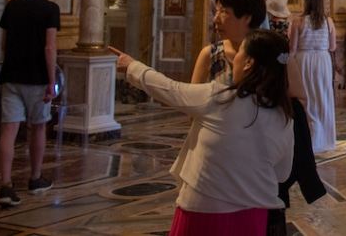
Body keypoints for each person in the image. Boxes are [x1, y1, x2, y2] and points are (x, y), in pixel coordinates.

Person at [111, 30, 294, 236]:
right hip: (253, 216)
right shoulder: (284, 117)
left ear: (249, 63)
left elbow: (171, 90)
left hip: (205, 211)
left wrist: (132, 66)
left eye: (240, 53)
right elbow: (282, 173)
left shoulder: (220, 99)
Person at [0, 0, 60, 207]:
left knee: (9, 130)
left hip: (11, 74)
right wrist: (52, 80)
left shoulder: (12, 6)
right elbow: (49, 48)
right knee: (39, 128)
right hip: (37, 77)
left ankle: (5, 185)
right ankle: (35, 178)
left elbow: (4, 42)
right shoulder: (50, 10)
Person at [192, 0, 267, 85]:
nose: (216, 19)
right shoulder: (210, 55)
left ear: (247, 17)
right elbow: (194, 97)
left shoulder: (267, 55)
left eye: (224, 12)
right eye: (216, 11)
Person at [289, 0, 336, 153]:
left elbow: (292, 48)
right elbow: (333, 46)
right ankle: (325, 140)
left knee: (307, 99)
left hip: (304, 60)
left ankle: (310, 139)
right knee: (323, 98)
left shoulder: (298, 21)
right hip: (323, 61)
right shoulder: (328, 21)